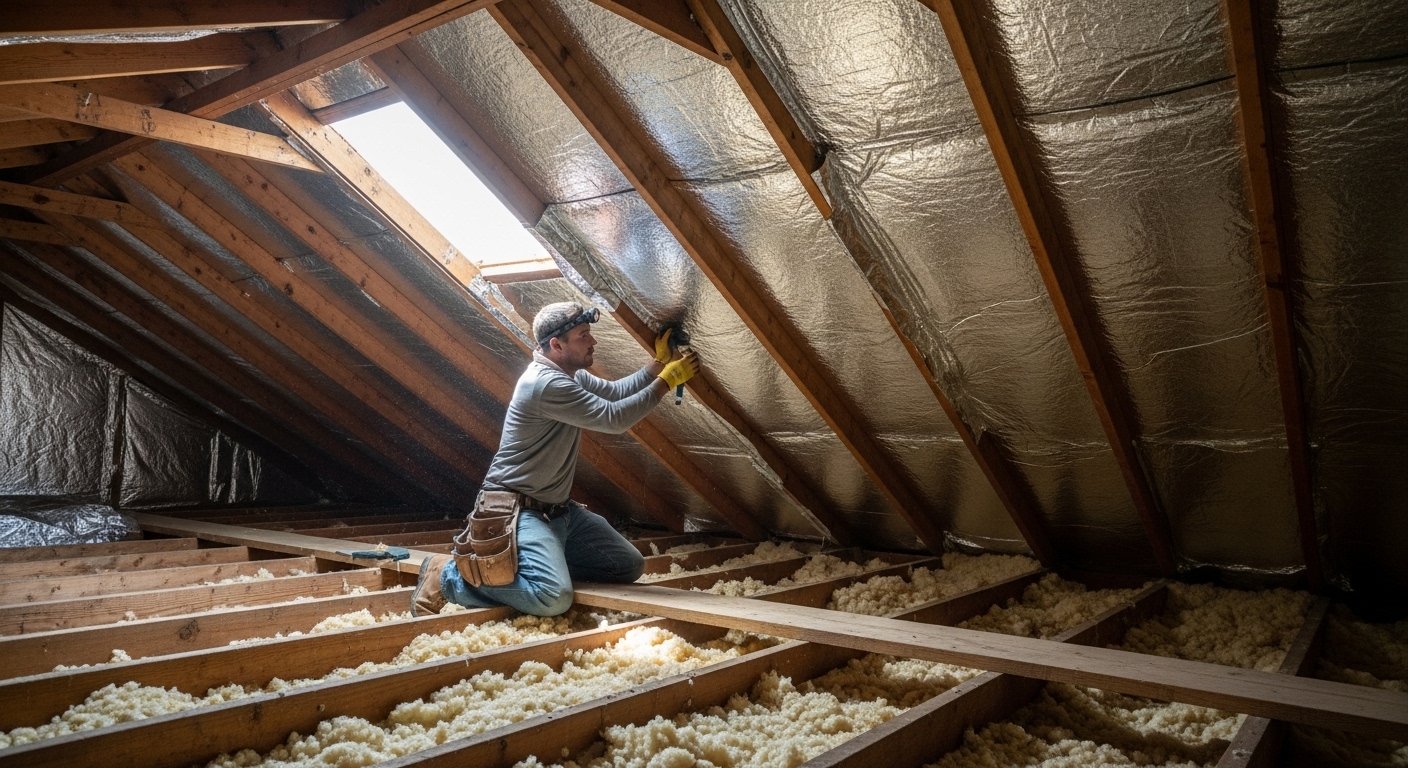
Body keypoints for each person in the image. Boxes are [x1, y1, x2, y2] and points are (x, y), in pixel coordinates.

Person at [412, 301, 698, 617]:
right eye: (583, 335)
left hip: (558, 513)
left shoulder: (570, 374)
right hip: (518, 511)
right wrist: (666, 383)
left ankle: (540, 568)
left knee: (625, 566)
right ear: (556, 345)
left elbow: (614, 394)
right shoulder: (545, 383)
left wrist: (658, 365)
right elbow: (612, 418)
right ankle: (448, 576)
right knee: (553, 598)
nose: (593, 341)